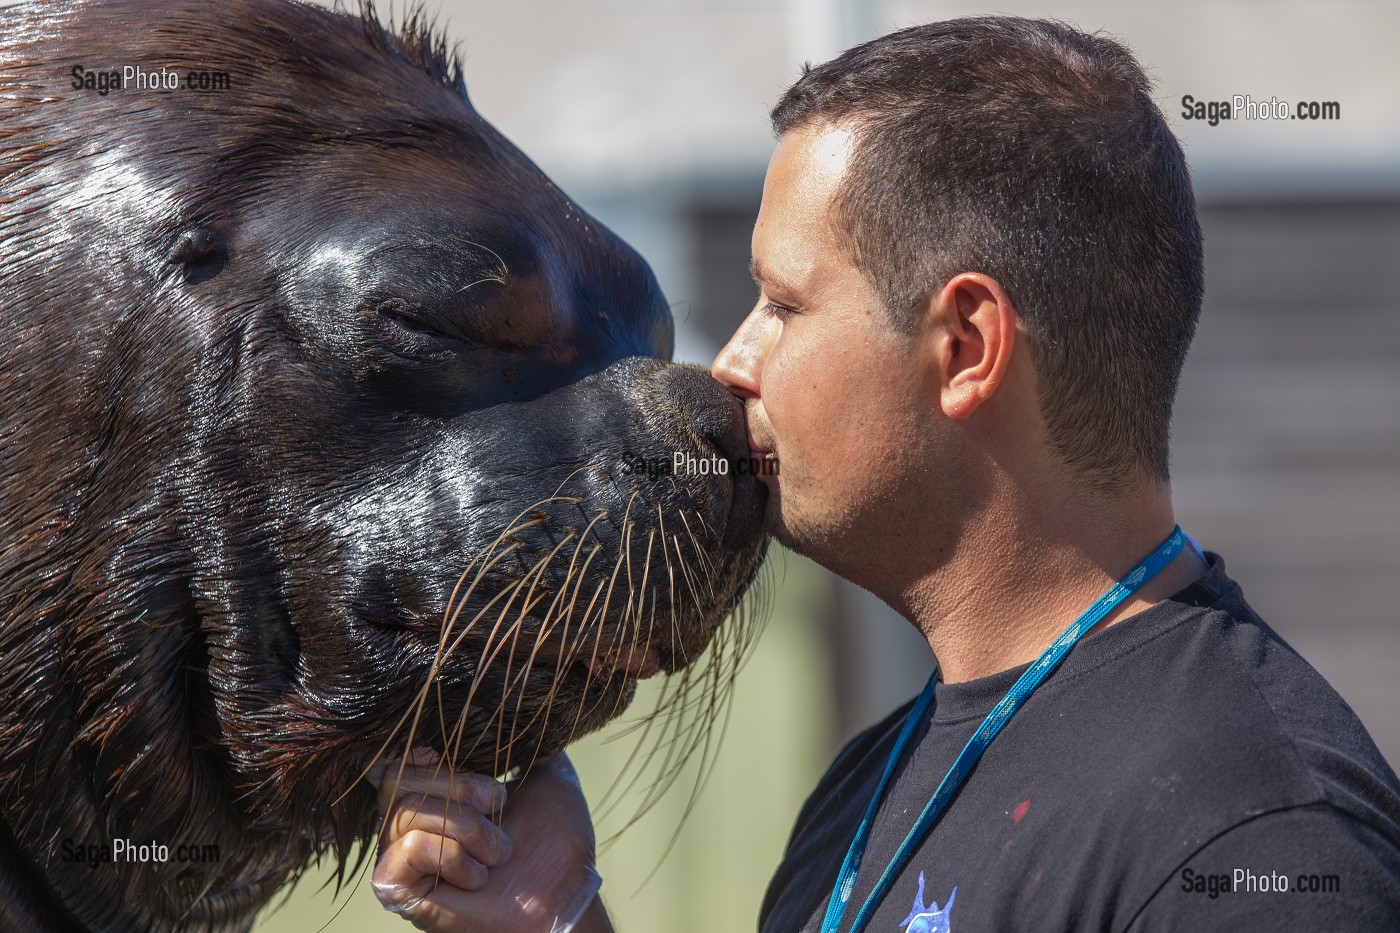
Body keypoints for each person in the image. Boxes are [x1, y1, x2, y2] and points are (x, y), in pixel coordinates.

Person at [368, 16, 1400, 932]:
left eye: (783, 302)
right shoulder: (867, 789)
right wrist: (553, 919)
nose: (732, 361)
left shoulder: (1257, 838)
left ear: (963, 346)